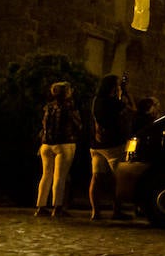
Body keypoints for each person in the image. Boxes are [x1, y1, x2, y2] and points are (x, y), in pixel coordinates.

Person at [89, 74, 135, 221]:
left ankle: (95, 212)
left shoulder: (97, 101)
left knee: (96, 178)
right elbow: (132, 109)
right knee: (119, 179)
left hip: (97, 145)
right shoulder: (114, 102)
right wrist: (125, 92)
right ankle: (117, 211)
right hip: (113, 145)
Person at [36, 81, 82, 217]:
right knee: (60, 177)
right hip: (64, 144)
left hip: (46, 144)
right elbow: (78, 125)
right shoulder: (70, 107)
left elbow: (44, 126)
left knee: (46, 175)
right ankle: (57, 207)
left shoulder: (48, 107)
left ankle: (41, 206)